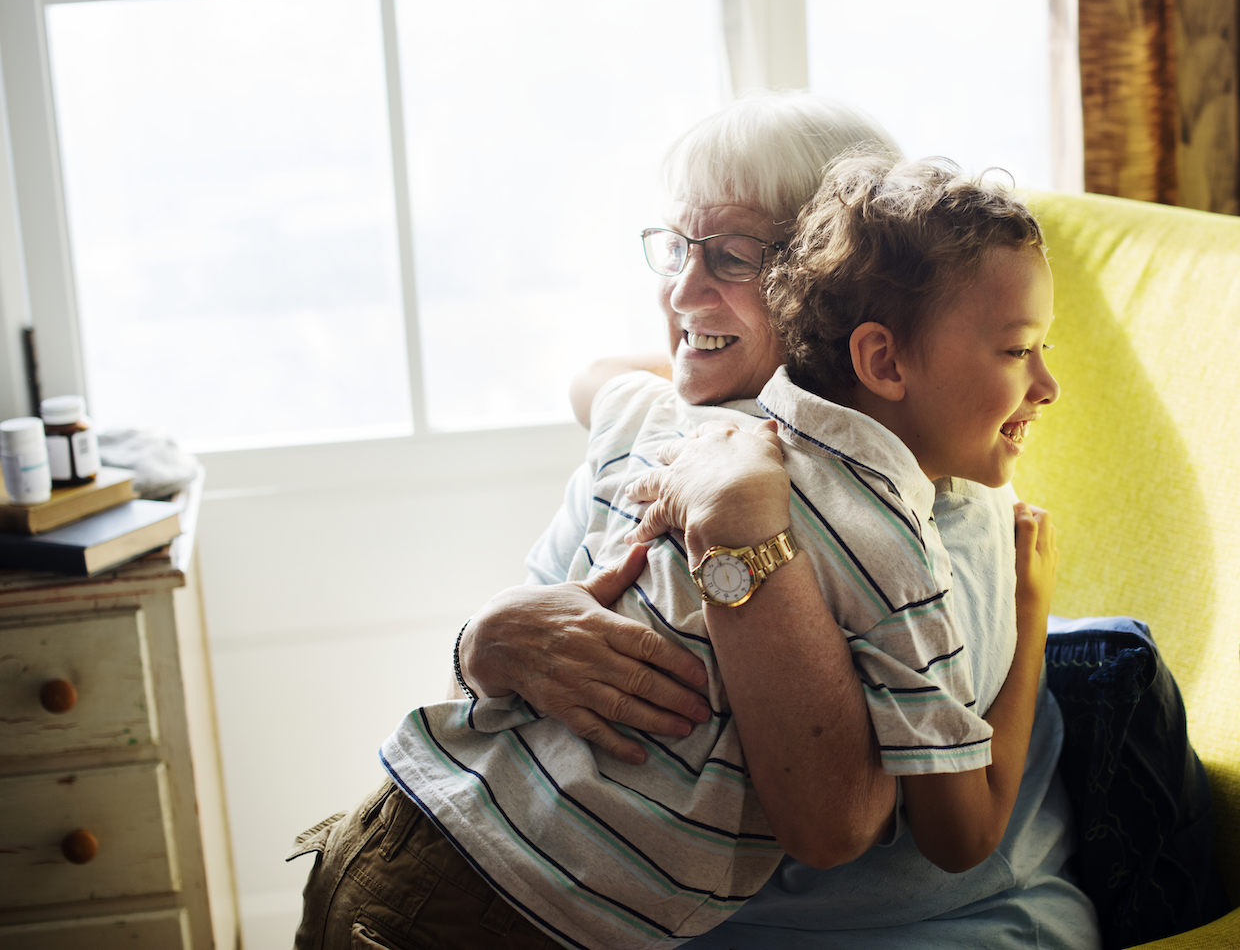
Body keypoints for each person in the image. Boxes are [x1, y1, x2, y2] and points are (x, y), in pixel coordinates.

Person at [292, 94, 1099, 950]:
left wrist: (739, 532)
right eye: (676, 246)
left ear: (828, 282)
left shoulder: (935, 524)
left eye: (734, 256)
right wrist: (483, 640)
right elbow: (506, 698)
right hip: (451, 849)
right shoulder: (664, 425)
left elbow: (849, 828)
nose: (680, 289)